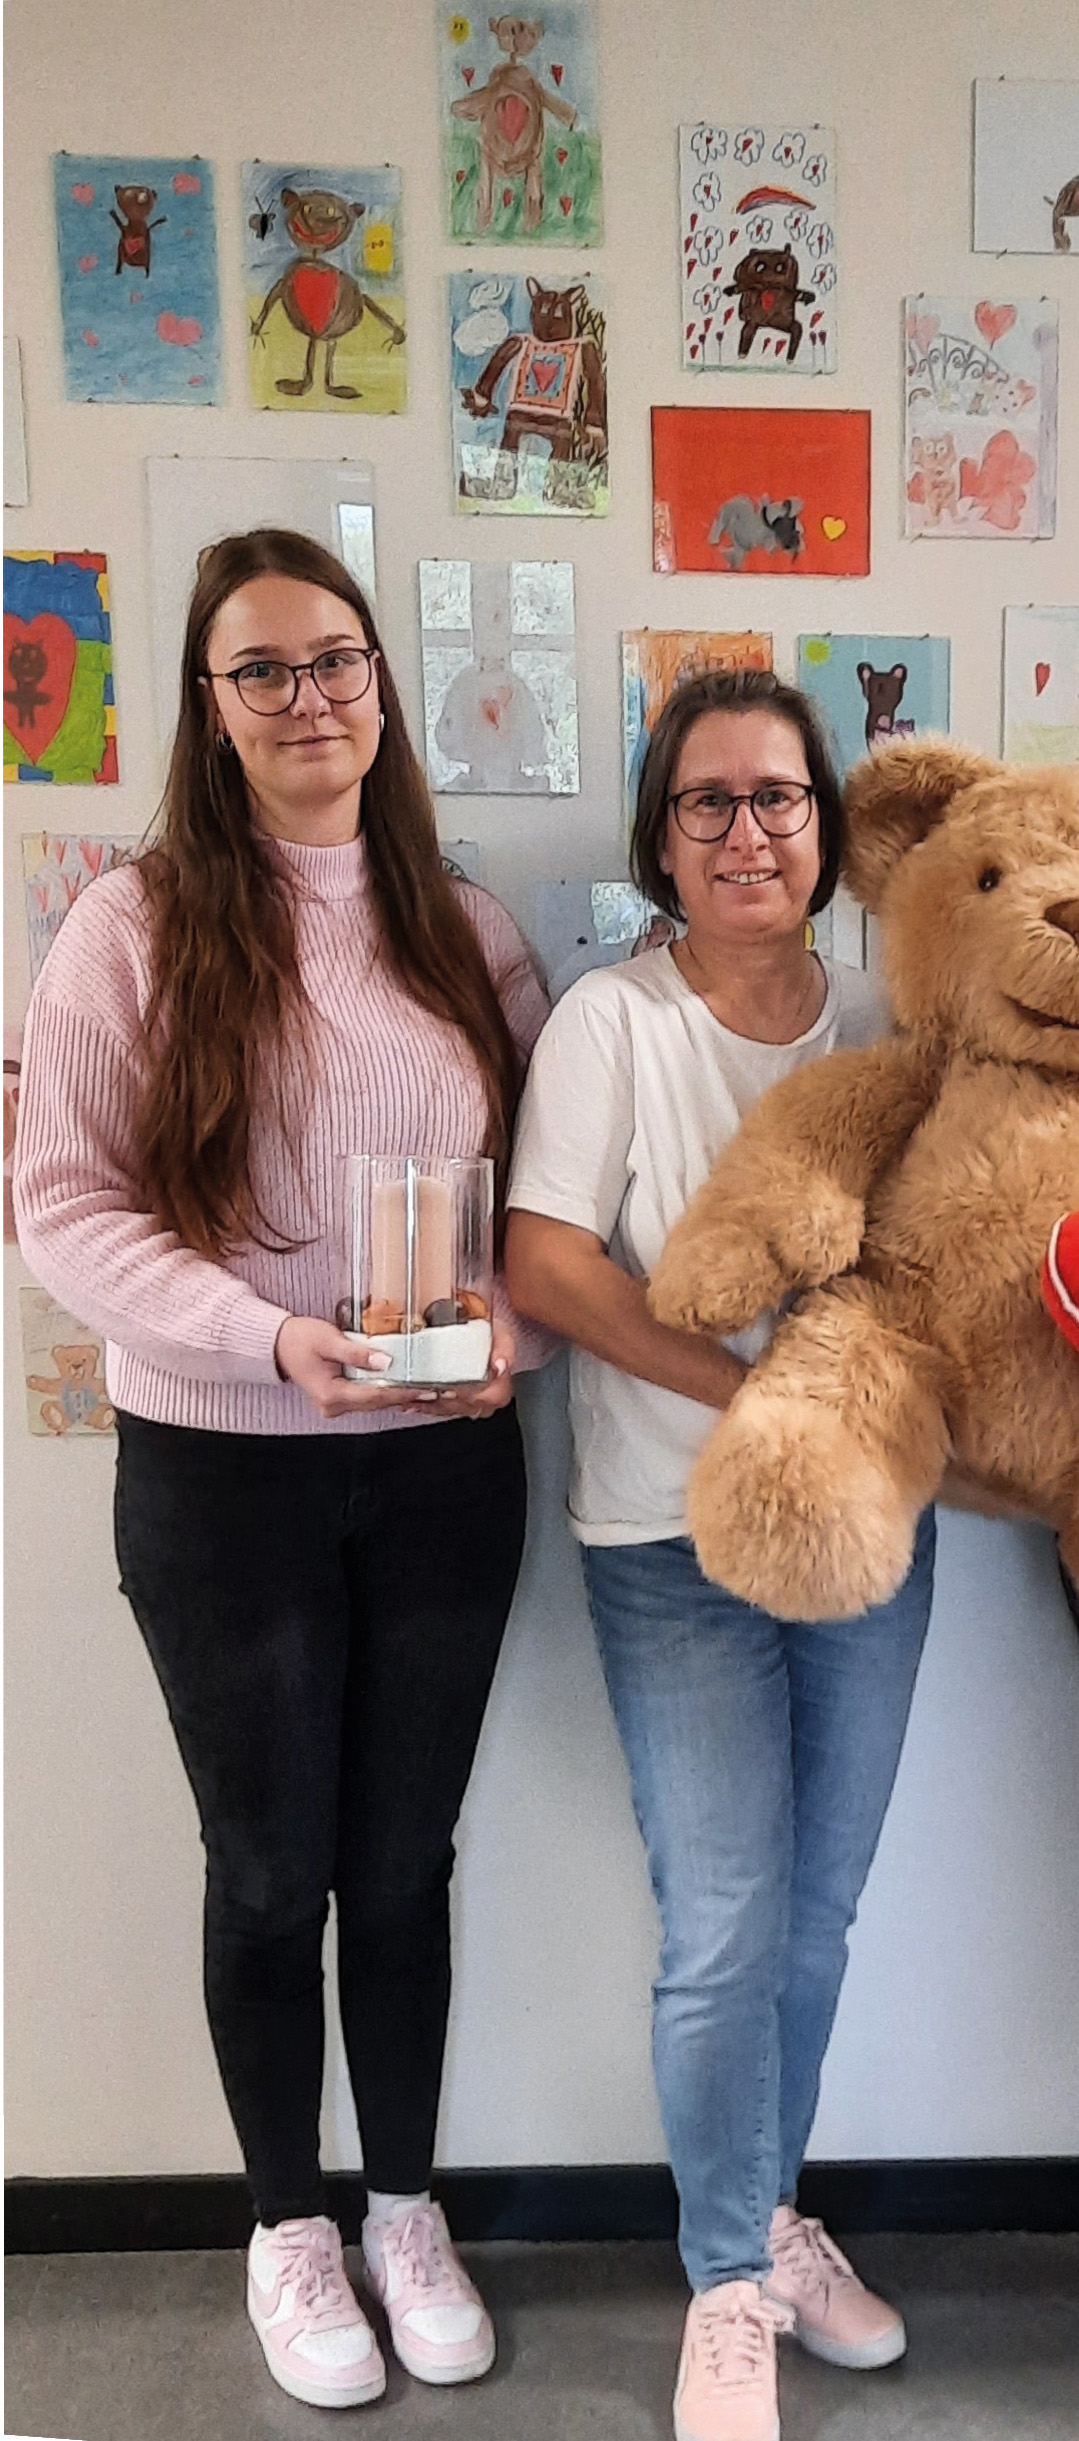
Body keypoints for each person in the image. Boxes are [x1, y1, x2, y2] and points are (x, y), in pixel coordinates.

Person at [14, 529, 549, 2410]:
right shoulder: (132, 924)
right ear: (210, 704)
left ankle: (404, 2203)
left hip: (440, 1476)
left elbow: (549, 1219)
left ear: (382, 683)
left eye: (336, 660)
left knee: (404, 1862)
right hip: (220, 1468)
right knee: (270, 1873)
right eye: (265, 670)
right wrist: (266, 1337)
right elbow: (59, 1204)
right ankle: (285, 2225)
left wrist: (513, 1339)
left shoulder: (463, 929)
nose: (309, 696)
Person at [504, 668, 934, 2441]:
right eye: (709, 803)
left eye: (778, 798)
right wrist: (751, 1389)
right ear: (658, 840)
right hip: (666, 1535)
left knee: (817, 1921)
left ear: (827, 831)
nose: (747, 831)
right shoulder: (612, 1023)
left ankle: (763, 2213)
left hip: (872, 1535)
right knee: (724, 1922)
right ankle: (725, 2286)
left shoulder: (893, 1030)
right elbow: (545, 1261)